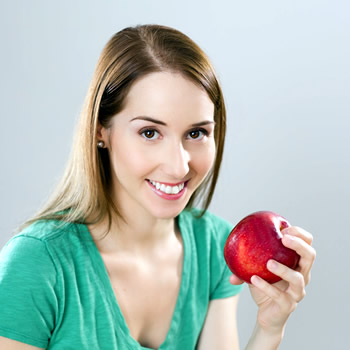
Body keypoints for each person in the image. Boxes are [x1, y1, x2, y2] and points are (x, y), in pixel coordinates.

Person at [0, 24, 316, 350]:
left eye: (196, 133)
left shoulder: (213, 247)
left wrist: (269, 328)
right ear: (101, 132)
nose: (179, 165)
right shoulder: (37, 263)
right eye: (150, 133)